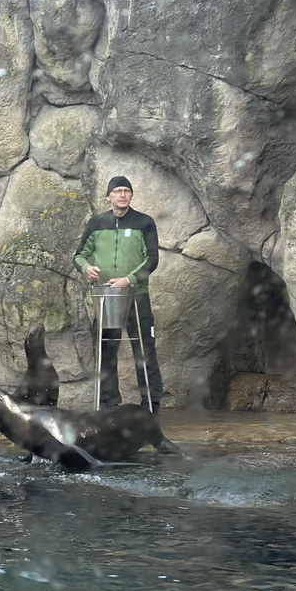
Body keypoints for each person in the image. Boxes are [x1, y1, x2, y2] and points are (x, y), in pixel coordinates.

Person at [73, 175, 163, 414]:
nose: (122, 194)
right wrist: (86, 268)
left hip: (137, 295)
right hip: (106, 297)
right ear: (108, 196)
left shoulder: (144, 222)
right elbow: (79, 255)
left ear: (131, 195)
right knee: (105, 351)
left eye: (126, 191)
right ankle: (108, 403)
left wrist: (129, 279)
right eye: (118, 191)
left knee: (145, 350)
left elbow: (152, 259)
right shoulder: (97, 222)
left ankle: (150, 405)